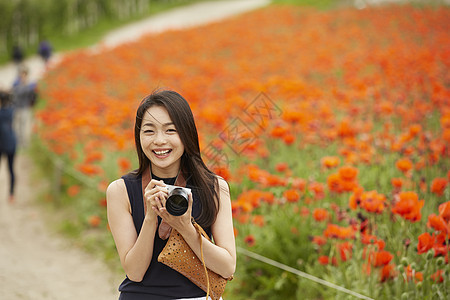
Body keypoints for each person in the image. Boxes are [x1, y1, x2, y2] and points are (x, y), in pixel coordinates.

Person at [106, 90, 236, 300]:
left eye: (170, 130)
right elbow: (134, 272)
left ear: (187, 134)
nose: (159, 140)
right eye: (149, 131)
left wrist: (185, 228)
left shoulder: (215, 187)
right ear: (139, 137)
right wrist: (150, 217)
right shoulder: (121, 191)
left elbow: (227, 267)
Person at [11, 65, 37, 148]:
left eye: (24, 74)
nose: (22, 75)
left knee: (25, 126)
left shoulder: (30, 84)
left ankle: (25, 143)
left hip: (25, 107)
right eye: (21, 74)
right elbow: (14, 94)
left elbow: (33, 96)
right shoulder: (16, 84)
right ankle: (19, 142)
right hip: (17, 107)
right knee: (17, 126)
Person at [0, 90, 17, 203]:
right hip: (12, 143)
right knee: (11, 169)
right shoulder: (11, 111)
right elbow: (14, 101)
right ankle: (11, 194)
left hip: (1, 144)